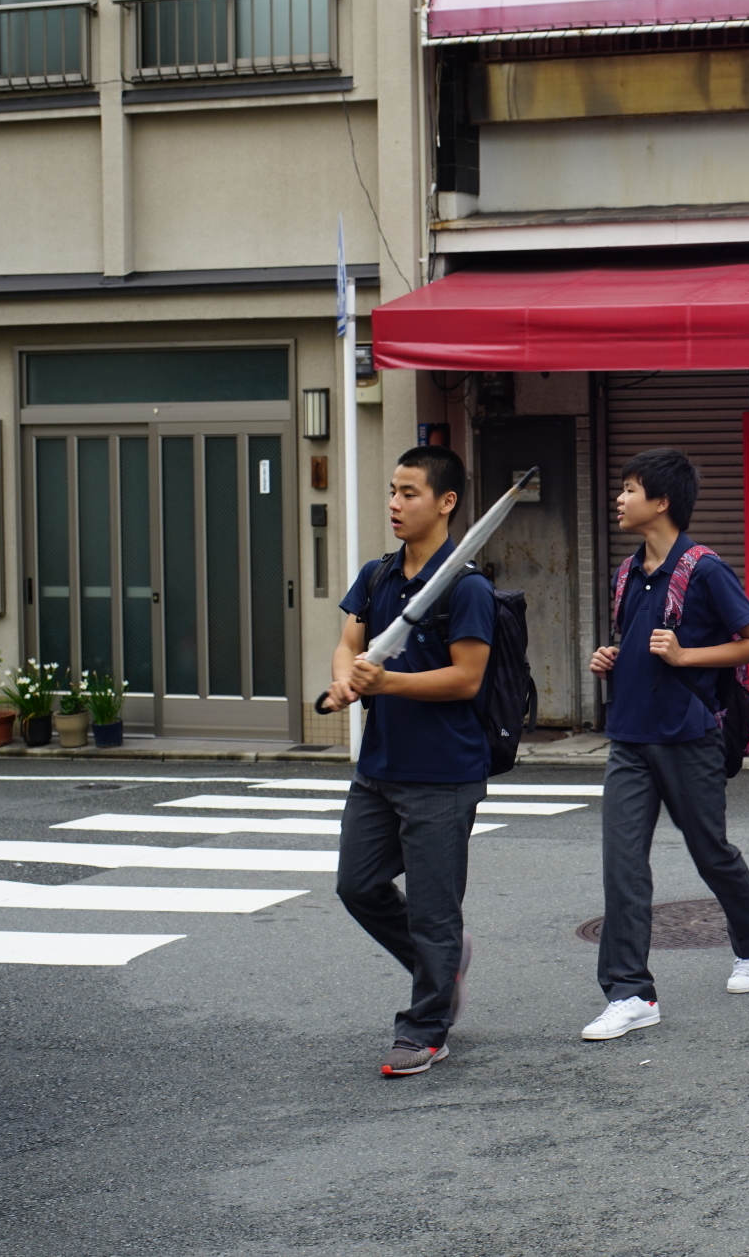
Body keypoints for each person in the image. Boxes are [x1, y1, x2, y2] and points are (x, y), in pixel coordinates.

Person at [585, 448, 749, 1041]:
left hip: (689, 736)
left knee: (710, 851)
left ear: (661, 502)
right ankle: (631, 992)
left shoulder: (705, 569)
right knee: (622, 866)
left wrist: (687, 655)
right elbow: (640, 640)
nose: (620, 498)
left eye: (630, 489)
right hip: (629, 738)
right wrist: (611, 658)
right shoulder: (626, 574)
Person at [329, 445, 495, 1077]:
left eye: (410, 493)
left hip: (443, 773)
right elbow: (349, 641)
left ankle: (426, 1027)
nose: (395, 504)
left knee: (433, 910)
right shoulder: (378, 576)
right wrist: (346, 679)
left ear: (446, 502)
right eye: (392, 492)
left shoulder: (467, 584)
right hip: (380, 768)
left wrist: (385, 684)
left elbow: (466, 679)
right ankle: (445, 960)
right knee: (357, 884)